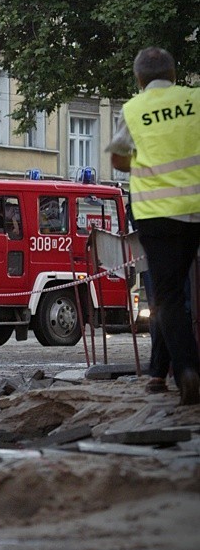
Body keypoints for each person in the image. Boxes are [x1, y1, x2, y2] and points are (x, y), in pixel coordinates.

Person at [108, 47, 200, 405]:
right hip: (195, 209)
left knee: (167, 296)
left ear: (139, 79)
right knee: (176, 290)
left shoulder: (132, 110)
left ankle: (189, 371)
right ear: (174, 75)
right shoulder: (194, 100)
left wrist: (148, 166)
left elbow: (118, 159)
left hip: (155, 213)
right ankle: (157, 373)